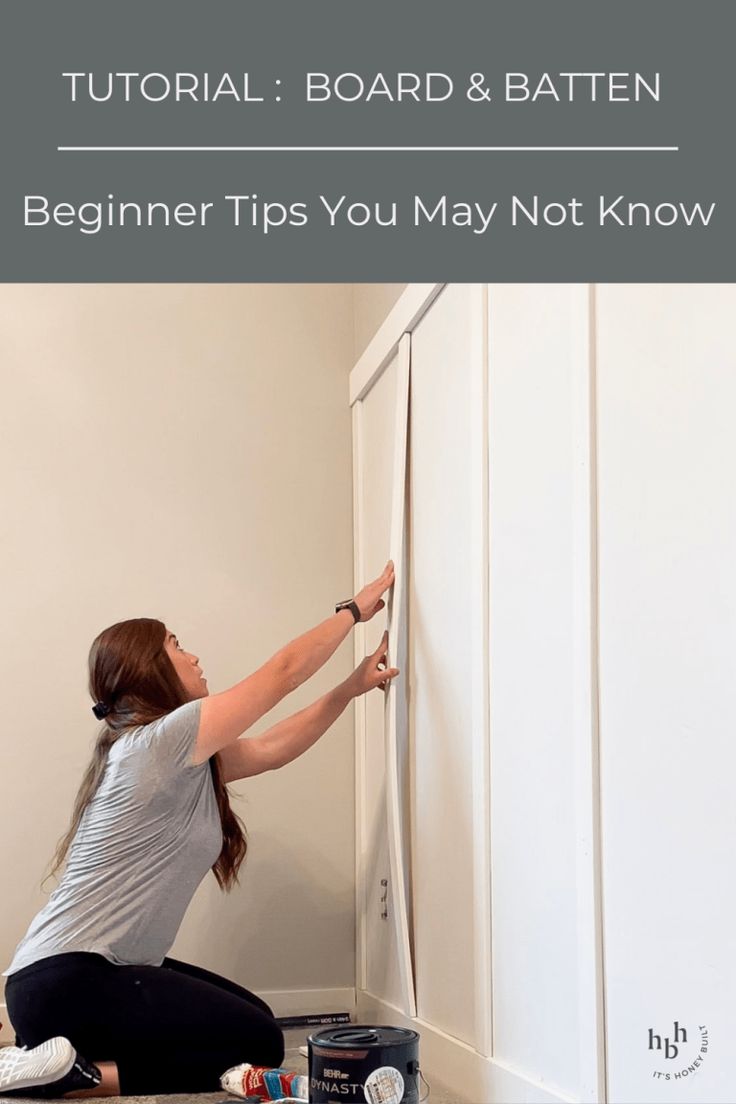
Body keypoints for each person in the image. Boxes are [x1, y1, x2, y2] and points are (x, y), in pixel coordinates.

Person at [0, 562, 398, 1098]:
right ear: (151, 668)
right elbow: (283, 672)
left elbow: (270, 749)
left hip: (65, 982)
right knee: (256, 1040)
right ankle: (72, 1078)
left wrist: (350, 689)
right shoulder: (160, 741)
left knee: (256, 1020)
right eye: (177, 645)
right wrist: (353, 611)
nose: (193, 655)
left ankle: (52, 1059)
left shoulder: (174, 754)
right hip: (73, 979)